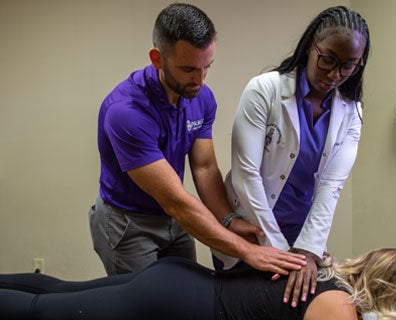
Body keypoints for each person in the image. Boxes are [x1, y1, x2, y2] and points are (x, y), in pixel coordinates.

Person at [89, 2, 306, 276]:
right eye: (189, 69)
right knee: (144, 307)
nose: (200, 80)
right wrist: (247, 251)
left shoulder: (201, 98)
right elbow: (175, 201)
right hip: (129, 222)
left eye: (207, 67)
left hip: (173, 217)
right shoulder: (125, 112)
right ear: (158, 59)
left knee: (186, 298)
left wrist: (228, 219)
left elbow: (204, 168)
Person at [211, 5, 371, 307]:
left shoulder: (351, 111)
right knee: (234, 307)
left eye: (349, 65)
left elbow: (330, 185)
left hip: (302, 232)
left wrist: (307, 251)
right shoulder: (265, 90)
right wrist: (281, 253)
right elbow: (246, 175)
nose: (335, 74)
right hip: (251, 224)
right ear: (312, 46)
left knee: (290, 306)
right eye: (328, 60)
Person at [0, 248, 396, 320]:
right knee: (43, 313)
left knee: (57, 291)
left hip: (179, 282)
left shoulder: (321, 264)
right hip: (174, 306)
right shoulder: (339, 308)